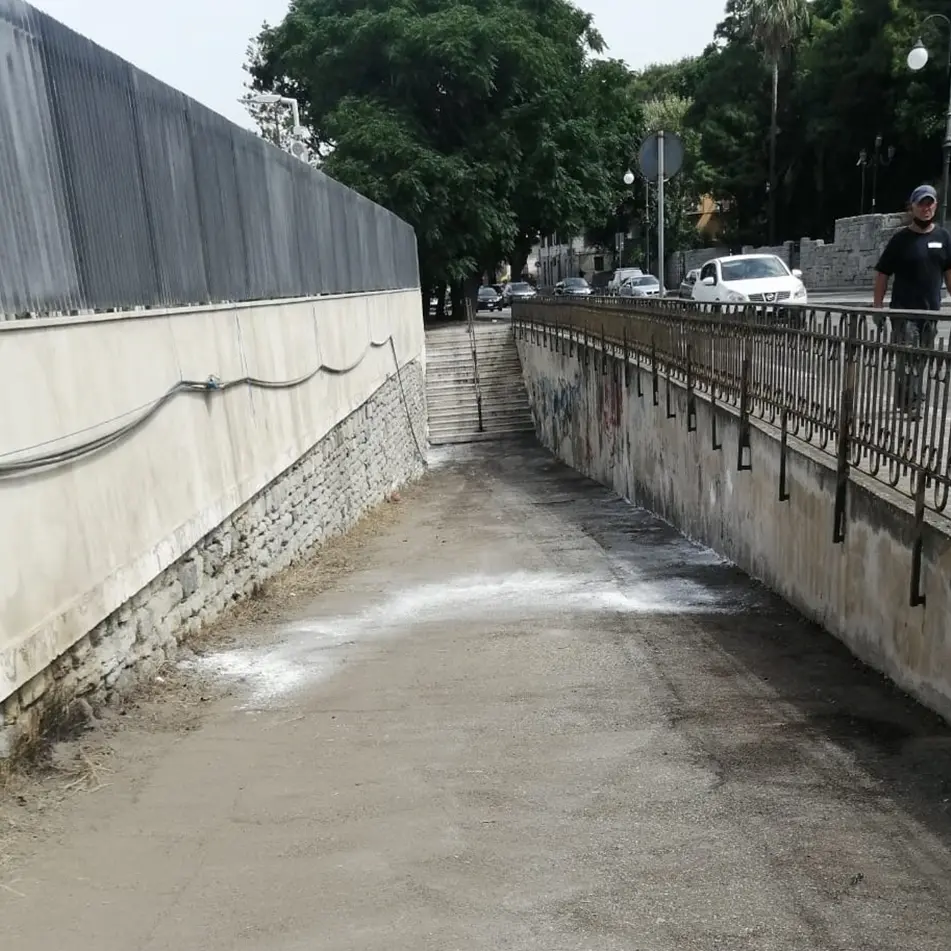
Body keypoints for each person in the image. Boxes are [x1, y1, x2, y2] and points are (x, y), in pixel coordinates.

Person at [873, 184, 951, 415]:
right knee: (909, 356)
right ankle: (915, 402)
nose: (926, 208)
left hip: (930, 313)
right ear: (912, 207)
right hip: (903, 312)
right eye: (921, 204)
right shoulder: (900, 240)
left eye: (930, 203)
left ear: (935, 206)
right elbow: (882, 274)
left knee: (921, 358)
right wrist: (878, 308)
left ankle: (904, 398)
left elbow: (948, 272)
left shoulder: (943, 237)